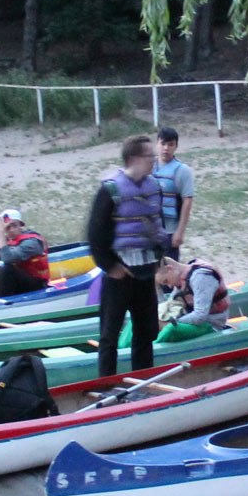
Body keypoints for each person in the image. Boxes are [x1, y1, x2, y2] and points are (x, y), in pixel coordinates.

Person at [86, 135, 167, 377]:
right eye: (148, 156)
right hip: (119, 275)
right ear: (133, 159)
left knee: (145, 333)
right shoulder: (111, 189)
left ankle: (142, 381)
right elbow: (95, 234)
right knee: (109, 335)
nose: (153, 160)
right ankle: (106, 386)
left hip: (144, 274)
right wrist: (111, 267)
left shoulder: (154, 187)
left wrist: (158, 260)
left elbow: (156, 226)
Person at [124, 257, 232, 345]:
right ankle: (122, 348)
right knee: (140, 318)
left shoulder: (201, 278)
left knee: (171, 329)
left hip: (210, 324)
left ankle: (147, 352)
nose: (170, 286)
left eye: (166, 281)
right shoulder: (181, 279)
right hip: (190, 318)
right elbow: (170, 305)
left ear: (170, 269)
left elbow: (200, 316)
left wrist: (171, 322)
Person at [153, 127, 196, 261]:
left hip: (169, 231)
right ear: (157, 144)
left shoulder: (183, 171)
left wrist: (180, 231)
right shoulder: (148, 165)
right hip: (149, 230)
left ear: (176, 147)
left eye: (170, 144)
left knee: (168, 272)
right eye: (163, 143)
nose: (166, 148)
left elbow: (187, 201)